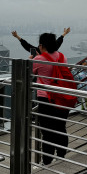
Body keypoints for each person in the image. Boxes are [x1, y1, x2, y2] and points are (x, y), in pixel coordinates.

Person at [32, 32, 70, 165]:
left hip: (46, 99)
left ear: (42, 45)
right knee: (61, 127)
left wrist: (32, 58)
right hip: (62, 98)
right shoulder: (62, 57)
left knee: (47, 131)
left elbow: (29, 72)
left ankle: (47, 161)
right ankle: (61, 156)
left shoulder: (39, 59)